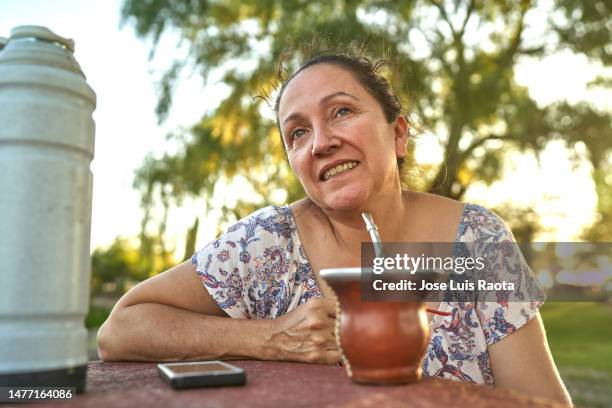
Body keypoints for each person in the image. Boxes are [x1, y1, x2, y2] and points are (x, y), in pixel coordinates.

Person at [97, 53, 572, 406]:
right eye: (298, 132)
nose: (321, 142)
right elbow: (120, 330)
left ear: (399, 134)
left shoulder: (477, 240)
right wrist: (269, 338)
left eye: (342, 111)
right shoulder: (265, 245)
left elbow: (542, 400)